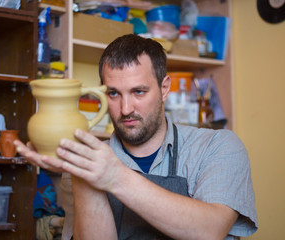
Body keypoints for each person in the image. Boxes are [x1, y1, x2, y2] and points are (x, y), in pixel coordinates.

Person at [14, 34, 258, 240]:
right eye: (113, 94)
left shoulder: (217, 147)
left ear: (164, 89)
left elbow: (210, 230)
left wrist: (114, 176)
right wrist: (84, 177)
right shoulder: (86, 163)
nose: (126, 108)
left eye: (138, 91)